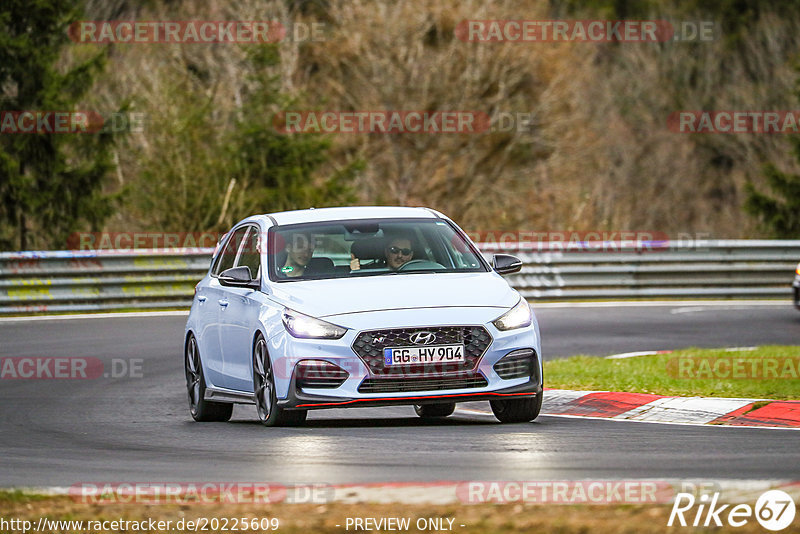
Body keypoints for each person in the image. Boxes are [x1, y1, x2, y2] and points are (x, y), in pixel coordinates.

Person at [350, 234, 415, 272]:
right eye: (394, 250)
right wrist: (355, 272)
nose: (400, 255)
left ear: (411, 255)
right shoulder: (370, 275)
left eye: (405, 252)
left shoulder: (421, 277)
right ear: (386, 252)